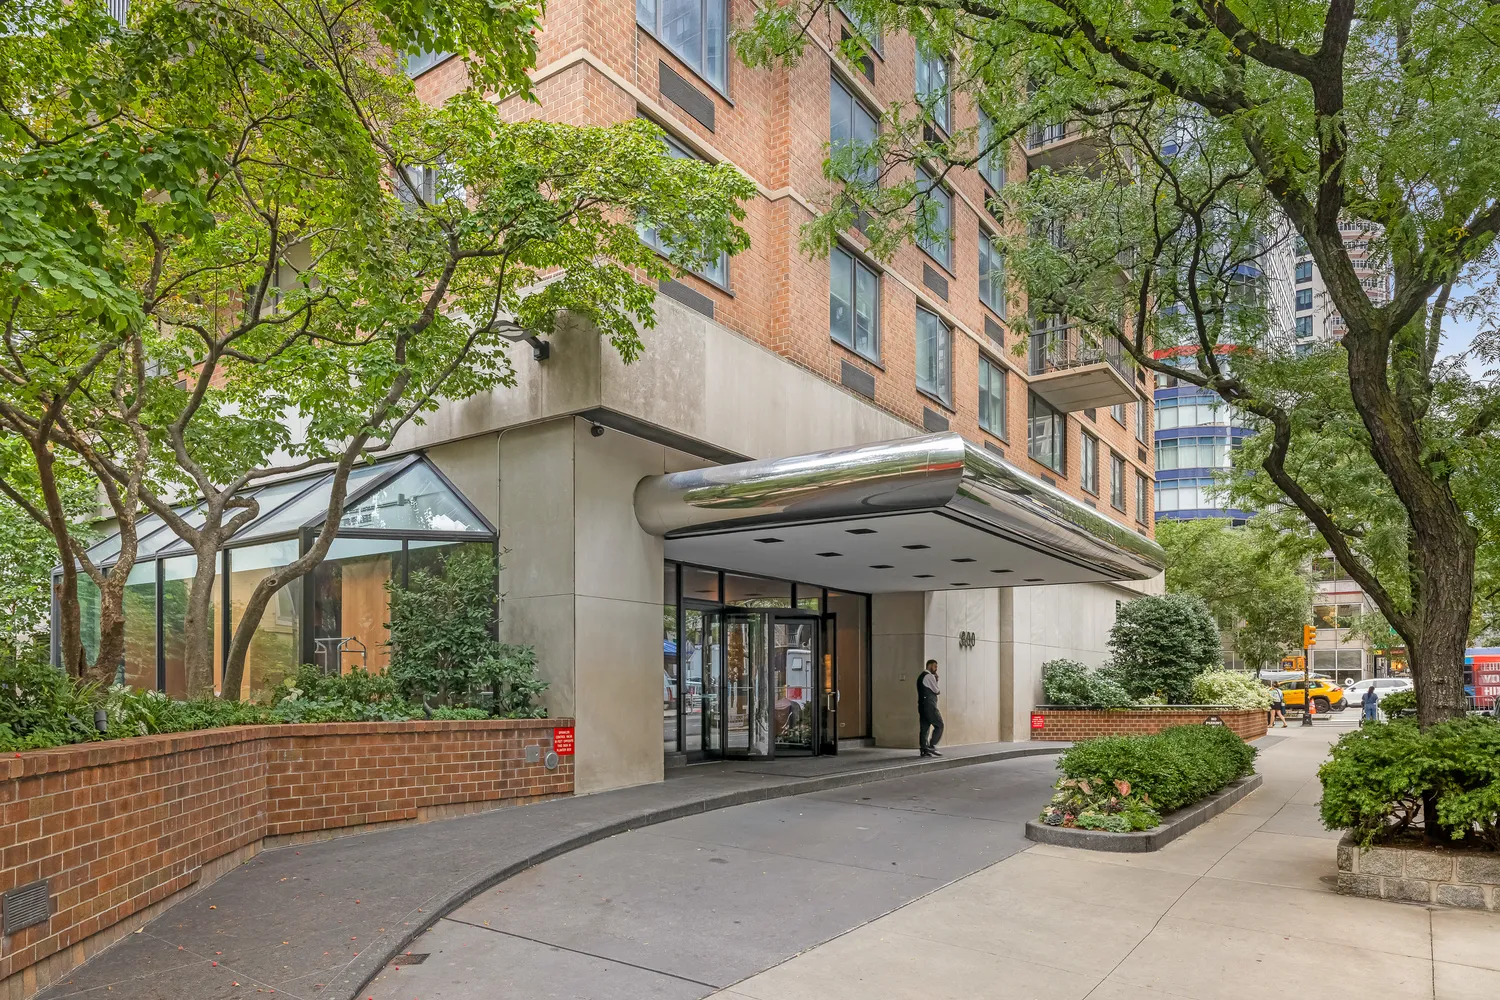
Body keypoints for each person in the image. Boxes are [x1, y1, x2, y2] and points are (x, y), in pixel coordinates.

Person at [917, 658, 943, 757]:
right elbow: (937, 691)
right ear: (929, 666)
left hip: (922, 705)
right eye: (935, 666)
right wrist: (936, 680)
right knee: (939, 724)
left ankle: (924, 749)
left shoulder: (920, 676)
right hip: (929, 705)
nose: (936, 669)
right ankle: (932, 745)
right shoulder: (929, 676)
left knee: (924, 727)